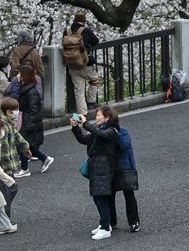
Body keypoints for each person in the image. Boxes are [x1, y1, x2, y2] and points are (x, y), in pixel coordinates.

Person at [71, 106, 121, 240]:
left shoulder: (112, 131)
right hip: (96, 167)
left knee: (101, 197)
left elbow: (102, 135)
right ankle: (105, 224)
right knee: (97, 197)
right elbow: (83, 139)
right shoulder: (98, 130)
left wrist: (85, 123)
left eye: (98, 115)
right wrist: (76, 127)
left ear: (107, 117)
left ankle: (105, 228)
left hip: (105, 168)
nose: (96, 118)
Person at [12, 64, 51, 175]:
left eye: (20, 74)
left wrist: (28, 124)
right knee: (28, 145)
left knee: (22, 144)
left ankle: (24, 169)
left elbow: (34, 111)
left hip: (29, 122)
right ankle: (45, 159)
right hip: (27, 120)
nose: (18, 76)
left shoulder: (31, 92)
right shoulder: (25, 89)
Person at [0, 98, 30, 215]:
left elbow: (19, 138)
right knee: (9, 191)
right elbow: (3, 148)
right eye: (16, 110)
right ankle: (4, 218)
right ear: (8, 112)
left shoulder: (10, 125)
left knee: (10, 190)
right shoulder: (3, 126)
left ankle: (0, 213)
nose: (17, 112)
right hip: (4, 167)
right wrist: (6, 168)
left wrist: (26, 149)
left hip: (6, 167)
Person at [62, 14, 101, 116]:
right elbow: (95, 41)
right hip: (85, 63)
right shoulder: (85, 31)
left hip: (71, 64)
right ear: (83, 21)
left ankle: (82, 113)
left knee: (78, 90)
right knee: (95, 79)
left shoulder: (67, 31)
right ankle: (91, 102)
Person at [109, 117, 141, 234]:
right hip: (111, 169)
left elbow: (124, 145)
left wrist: (116, 134)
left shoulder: (123, 132)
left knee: (129, 195)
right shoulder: (102, 133)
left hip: (124, 168)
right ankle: (112, 222)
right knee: (109, 196)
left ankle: (134, 221)